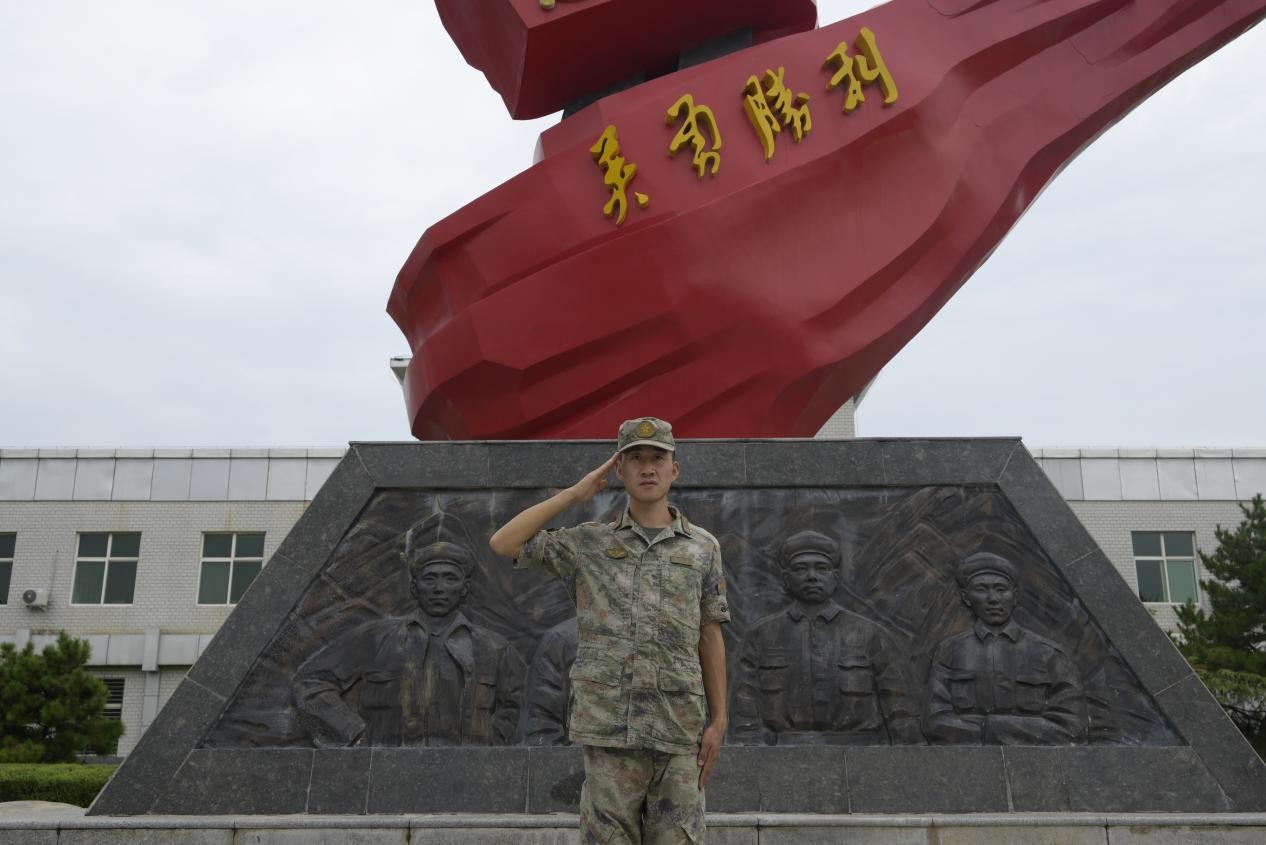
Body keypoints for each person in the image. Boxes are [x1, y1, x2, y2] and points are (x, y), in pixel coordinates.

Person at [489, 417, 729, 844]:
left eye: (658, 458)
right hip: (610, 733)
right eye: (636, 458)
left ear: (675, 469)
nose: (648, 468)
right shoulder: (590, 543)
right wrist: (574, 494)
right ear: (619, 470)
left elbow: (710, 632)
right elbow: (504, 543)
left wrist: (720, 719)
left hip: (679, 732)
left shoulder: (702, 547)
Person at [292, 511, 524, 747]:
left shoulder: (494, 648)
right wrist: (354, 735)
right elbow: (310, 683)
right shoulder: (375, 638)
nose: (439, 588)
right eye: (429, 579)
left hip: (469, 766)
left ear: (464, 589)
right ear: (414, 588)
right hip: (384, 764)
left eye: (449, 579)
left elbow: (519, 705)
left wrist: (491, 748)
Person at [732, 530, 922, 745]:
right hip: (782, 752)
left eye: (821, 568)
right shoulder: (761, 637)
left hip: (862, 753)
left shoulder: (872, 636)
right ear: (786, 579)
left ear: (835, 578)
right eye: (800, 569)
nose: (812, 576)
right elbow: (744, 712)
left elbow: (901, 712)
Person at [923, 552, 1087, 745]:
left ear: (1015, 597)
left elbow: (1072, 726)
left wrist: (991, 728)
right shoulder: (949, 651)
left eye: (1001, 589)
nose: (993, 598)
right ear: (966, 598)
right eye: (981, 590)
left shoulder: (1050, 654)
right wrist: (1018, 730)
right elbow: (934, 722)